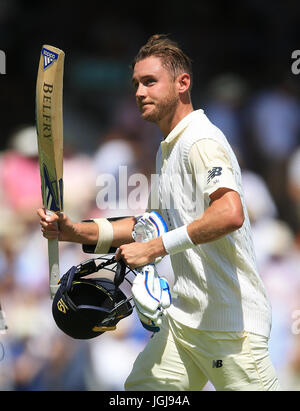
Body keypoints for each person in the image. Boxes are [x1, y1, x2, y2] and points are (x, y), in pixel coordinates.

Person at [37, 34, 280, 391]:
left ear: (183, 83)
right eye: (136, 83)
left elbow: (230, 213)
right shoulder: (167, 149)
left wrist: (155, 248)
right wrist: (75, 231)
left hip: (230, 325)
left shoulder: (201, 140)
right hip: (184, 323)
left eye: (150, 82)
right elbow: (149, 227)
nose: (139, 92)